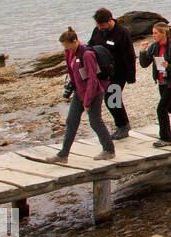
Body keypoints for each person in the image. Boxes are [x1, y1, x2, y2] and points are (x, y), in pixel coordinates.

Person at [41, 27, 115, 163]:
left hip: (93, 92)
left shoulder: (87, 55)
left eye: (67, 46)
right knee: (71, 121)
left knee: (95, 121)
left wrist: (87, 102)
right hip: (79, 92)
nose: (66, 49)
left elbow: (93, 80)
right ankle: (63, 154)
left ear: (75, 41)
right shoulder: (70, 53)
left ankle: (109, 150)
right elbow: (72, 72)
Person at [88, 7, 136, 140]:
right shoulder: (97, 31)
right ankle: (121, 125)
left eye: (102, 25)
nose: (99, 27)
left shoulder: (121, 33)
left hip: (119, 72)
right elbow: (91, 45)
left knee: (112, 98)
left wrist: (131, 76)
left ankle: (123, 125)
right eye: (97, 25)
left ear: (110, 21)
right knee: (111, 99)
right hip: (103, 72)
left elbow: (130, 55)